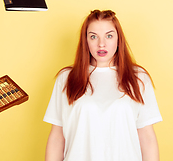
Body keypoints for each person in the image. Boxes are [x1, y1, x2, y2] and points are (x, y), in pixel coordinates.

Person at [43, 10, 162, 161]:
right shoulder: (66, 78)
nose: (101, 43)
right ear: (85, 40)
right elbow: (57, 137)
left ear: (119, 39)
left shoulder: (138, 78)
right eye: (93, 36)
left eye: (109, 36)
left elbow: (147, 138)